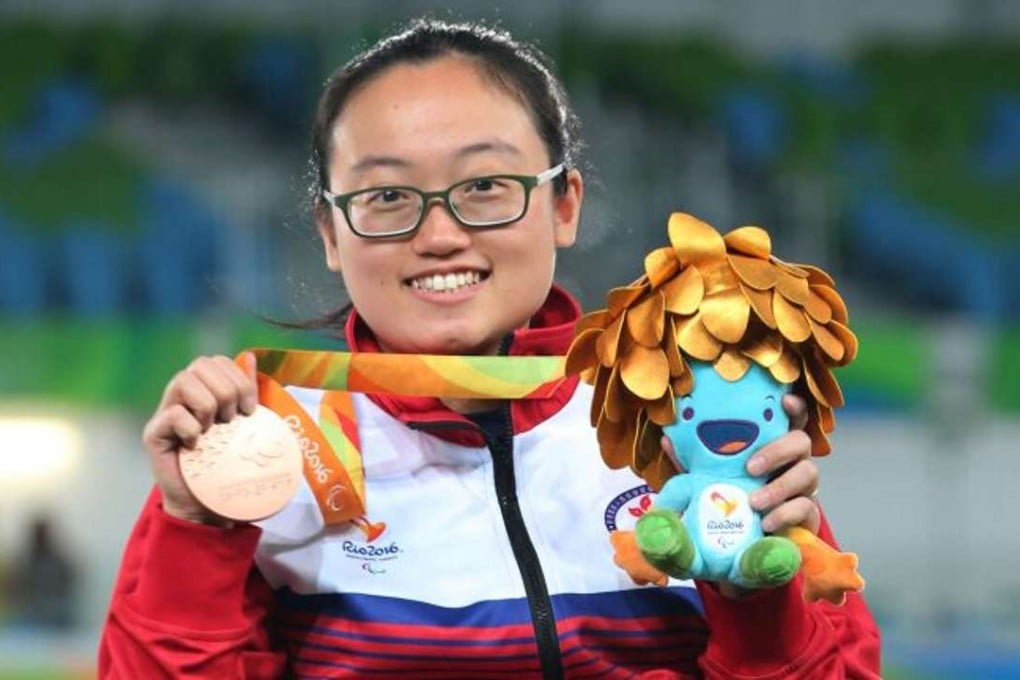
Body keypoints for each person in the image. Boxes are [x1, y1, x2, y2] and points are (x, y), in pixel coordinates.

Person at [98, 18, 880, 679]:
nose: (439, 235)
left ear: (564, 204)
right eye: (386, 197)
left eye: (485, 186)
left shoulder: (680, 412)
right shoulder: (264, 444)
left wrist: (754, 602)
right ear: (331, 233)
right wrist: (195, 526)